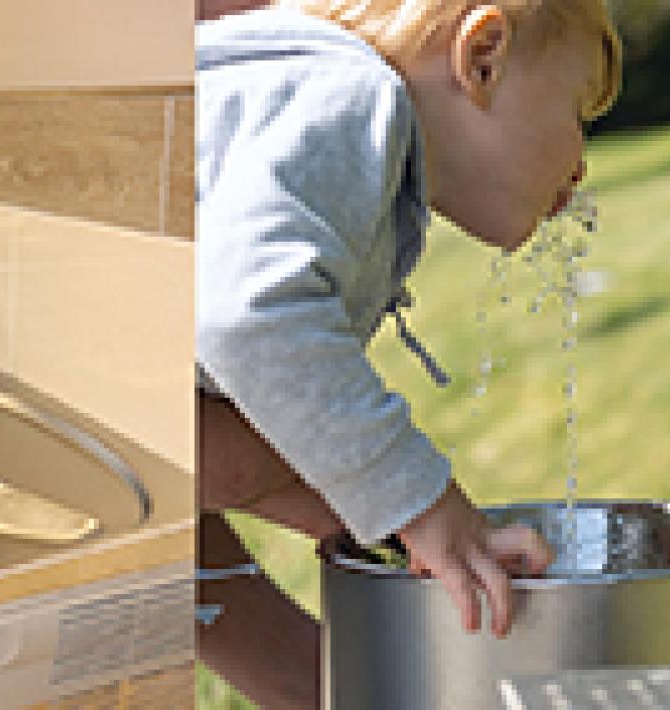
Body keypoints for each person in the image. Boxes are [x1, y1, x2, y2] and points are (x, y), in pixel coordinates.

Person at [193, 1, 620, 706]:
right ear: (483, 57)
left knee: (271, 450)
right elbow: (248, 319)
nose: (581, 164)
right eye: (579, 112)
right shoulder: (354, 98)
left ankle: (325, 683)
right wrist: (423, 505)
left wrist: (412, 525)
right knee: (255, 453)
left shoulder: (316, 94)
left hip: (26, 352)